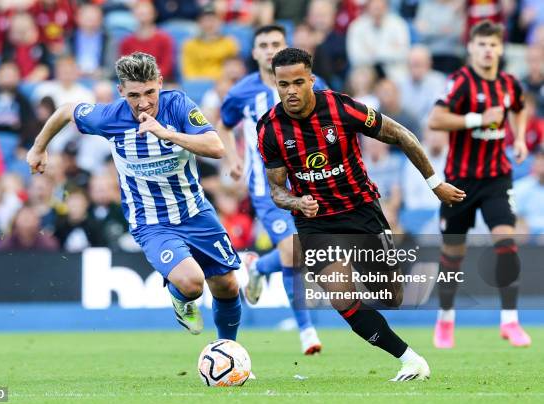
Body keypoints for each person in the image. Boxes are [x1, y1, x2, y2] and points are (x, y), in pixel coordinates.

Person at [257, 47, 465, 381]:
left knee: (391, 297)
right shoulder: (270, 129)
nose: (291, 91)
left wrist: (434, 183)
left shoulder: (340, 108)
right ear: (276, 84)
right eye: (284, 85)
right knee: (342, 297)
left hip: (360, 211)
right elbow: (276, 190)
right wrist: (297, 202)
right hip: (315, 221)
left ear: (311, 79)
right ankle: (411, 360)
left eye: (298, 82)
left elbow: (401, 135)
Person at [26, 52, 242, 341]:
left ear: (161, 83)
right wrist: (39, 148)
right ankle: (180, 297)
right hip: (152, 223)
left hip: (196, 212)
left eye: (150, 92)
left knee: (227, 285)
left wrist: (167, 134)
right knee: (192, 283)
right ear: (120, 92)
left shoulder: (178, 105)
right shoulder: (109, 117)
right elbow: (67, 110)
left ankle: (229, 350)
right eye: (134, 95)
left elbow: (216, 147)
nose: (143, 102)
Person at [218, 25, 324, 355]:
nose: (269, 49)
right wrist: (233, 157)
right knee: (294, 252)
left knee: (307, 253)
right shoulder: (242, 92)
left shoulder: (307, 84)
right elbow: (223, 124)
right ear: (254, 52)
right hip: (267, 187)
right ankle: (307, 331)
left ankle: (259, 266)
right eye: (263, 44)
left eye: (275, 43)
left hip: (310, 182)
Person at [428, 21, 531, 348]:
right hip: (459, 181)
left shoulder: (508, 83)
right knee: (452, 253)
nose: (488, 50)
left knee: (505, 239)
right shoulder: (459, 83)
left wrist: (519, 139)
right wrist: (477, 119)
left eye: (493, 45)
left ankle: (510, 321)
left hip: (496, 178)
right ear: (471, 48)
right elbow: (436, 119)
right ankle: (445, 319)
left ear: (501, 49)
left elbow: (519, 106)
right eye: (482, 44)